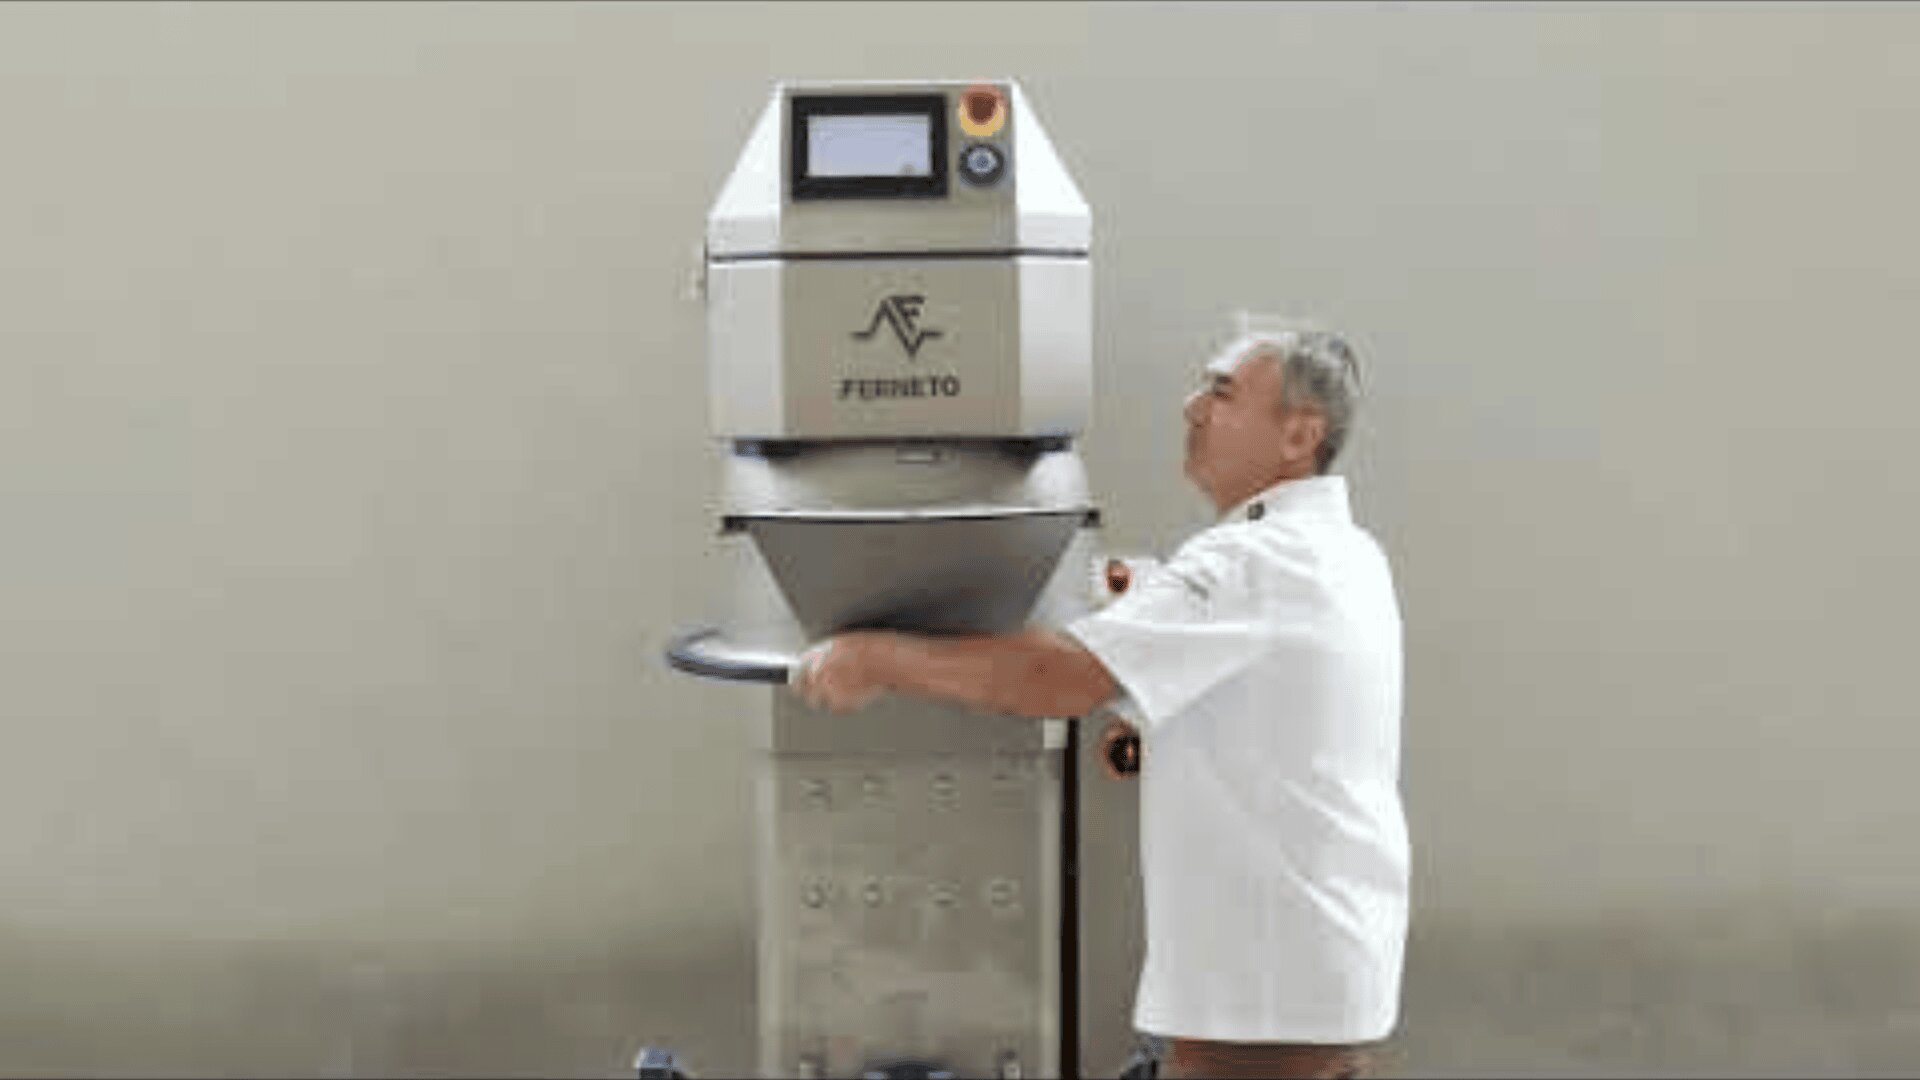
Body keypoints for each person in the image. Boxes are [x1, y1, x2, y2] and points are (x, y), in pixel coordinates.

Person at [792, 317, 1407, 1080]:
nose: (1191, 408)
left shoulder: (1258, 561)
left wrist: (876, 658)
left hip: (1268, 990)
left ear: (1298, 435)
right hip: (1306, 971)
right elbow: (1203, 670)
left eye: (1221, 393)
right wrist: (1126, 596)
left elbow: (1062, 679)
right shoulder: (1340, 554)